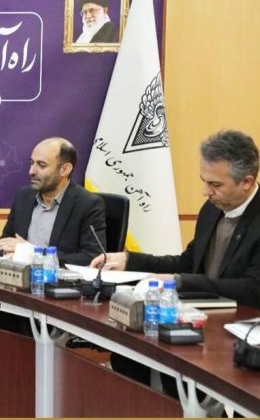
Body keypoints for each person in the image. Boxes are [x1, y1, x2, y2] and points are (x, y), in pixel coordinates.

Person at [91, 130, 260, 397]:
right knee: (129, 359)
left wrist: (180, 281)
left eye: (215, 184)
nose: (205, 192)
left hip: (242, 334)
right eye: (204, 181)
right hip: (202, 322)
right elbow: (187, 262)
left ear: (247, 182)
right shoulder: (211, 210)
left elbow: (252, 289)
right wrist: (129, 259)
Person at [0, 137, 106, 333]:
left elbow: (92, 258)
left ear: (65, 169)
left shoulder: (88, 204)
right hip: (17, 295)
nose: (32, 171)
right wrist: (16, 253)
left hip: (58, 303)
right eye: (32, 163)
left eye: (41, 165)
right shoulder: (23, 197)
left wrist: (30, 252)